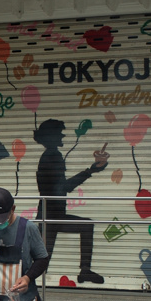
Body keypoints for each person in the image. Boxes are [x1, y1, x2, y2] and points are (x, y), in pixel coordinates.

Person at [34, 120, 110, 285]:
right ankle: (84, 270)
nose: (62, 136)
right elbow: (64, 186)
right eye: (59, 134)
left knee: (43, 260)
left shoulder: (49, 156)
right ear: (51, 137)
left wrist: (90, 170)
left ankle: (85, 270)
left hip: (51, 213)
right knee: (41, 261)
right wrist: (90, 171)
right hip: (51, 215)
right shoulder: (53, 156)